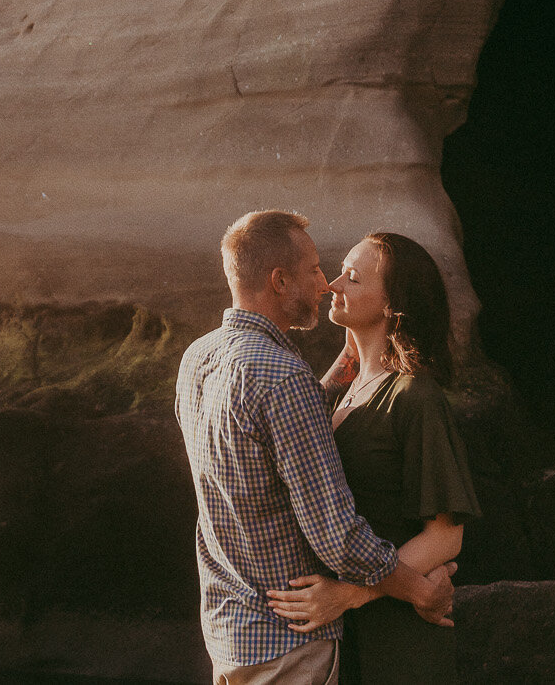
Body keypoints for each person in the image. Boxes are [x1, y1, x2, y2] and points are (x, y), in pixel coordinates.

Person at [177, 211, 456, 685]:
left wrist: (354, 357)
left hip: (229, 636)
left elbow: (279, 430)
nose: (325, 284)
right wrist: (417, 591)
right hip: (289, 644)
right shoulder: (285, 380)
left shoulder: (198, 357)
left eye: (348, 275)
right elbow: (337, 537)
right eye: (313, 270)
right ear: (279, 280)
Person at [265, 232, 481, 685]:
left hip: (398, 639)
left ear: (391, 305)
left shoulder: (415, 396)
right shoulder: (343, 393)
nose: (333, 284)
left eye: (355, 278)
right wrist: (351, 357)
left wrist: (347, 595)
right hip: (343, 634)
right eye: (340, 270)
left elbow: (446, 539)